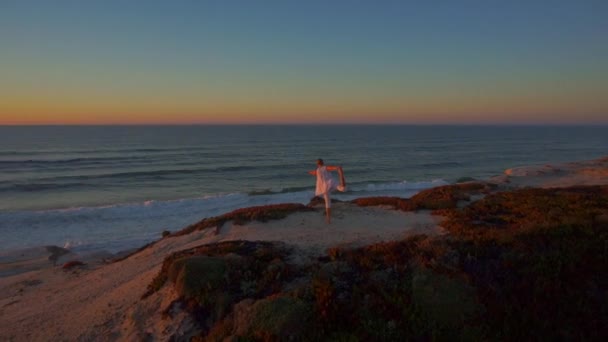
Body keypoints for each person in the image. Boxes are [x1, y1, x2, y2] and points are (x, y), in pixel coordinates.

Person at [308, 158, 346, 224]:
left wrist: (309, 172)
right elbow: (332, 168)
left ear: (317, 164)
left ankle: (328, 219)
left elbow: (314, 173)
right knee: (343, 189)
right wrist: (337, 168)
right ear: (323, 163)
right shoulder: (325, 167)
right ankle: (341, 176)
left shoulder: (317, 170)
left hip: (324, 188)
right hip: (331, 183)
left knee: (327, 203)